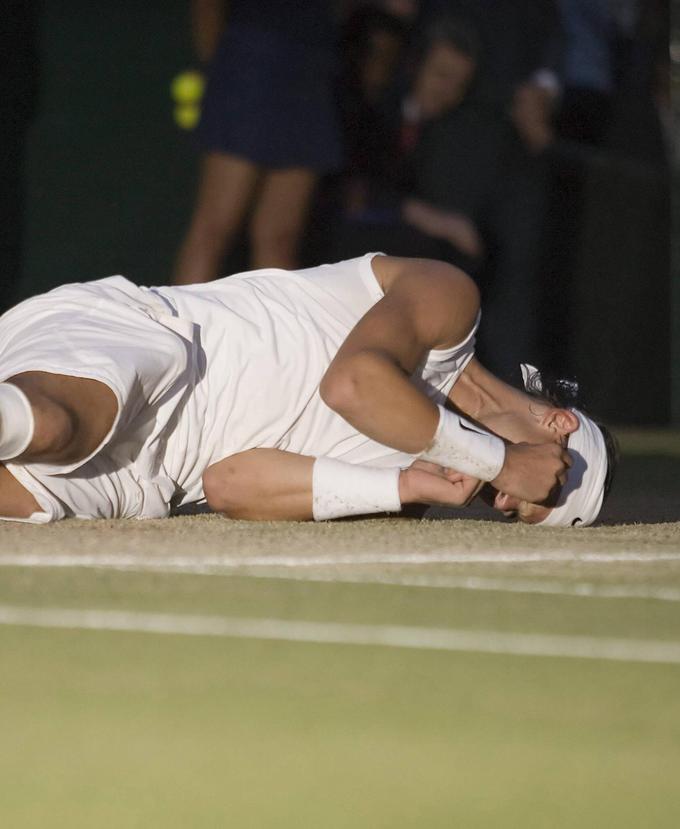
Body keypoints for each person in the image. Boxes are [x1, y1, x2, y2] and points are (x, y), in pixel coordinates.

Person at [0, 254, 616, 526]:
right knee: (54, 429)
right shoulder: (448, 298)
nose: (505, 502)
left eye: (521, 513)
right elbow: (353, 385)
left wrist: (400, 488)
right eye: (544, 485)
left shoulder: (421, 476)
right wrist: (503, 461)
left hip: (148, 480)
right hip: (156, 343)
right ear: (557, 426)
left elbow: (229, 483)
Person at [172, 0, 342, 283]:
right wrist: (218, 69)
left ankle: (279, 328)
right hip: (251, 57)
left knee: (280, 238)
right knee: (215, 228)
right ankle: (176, 327)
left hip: (313, 62)